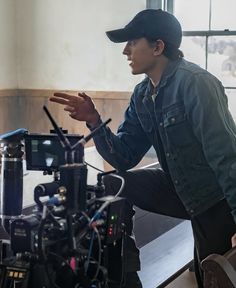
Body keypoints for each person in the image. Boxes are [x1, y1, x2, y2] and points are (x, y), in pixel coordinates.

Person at [50, 9, 236, 288]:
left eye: (133, 43)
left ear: (158, 46)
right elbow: (124, 157)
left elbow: (226, 158)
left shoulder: (196, 84)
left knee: (212, 277)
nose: (126, 51)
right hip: (178, 189)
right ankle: (125, 275)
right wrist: (94, 121)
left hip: (213, 200)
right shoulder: (142, 95)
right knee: (114, 182)